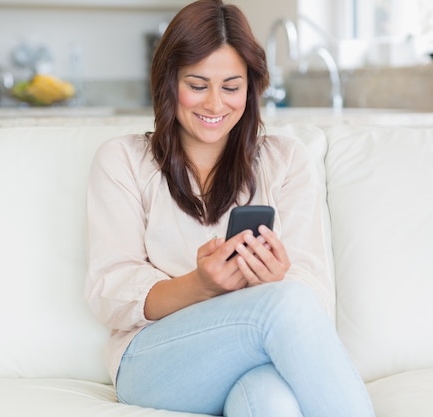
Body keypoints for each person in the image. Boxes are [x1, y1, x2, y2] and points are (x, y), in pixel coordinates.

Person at [85, 1, 376, 416]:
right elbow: (109, 293)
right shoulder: (122, 160)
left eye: (231, 87)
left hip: (253, 358)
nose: (215, 105)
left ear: (251, 88)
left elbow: (313, 295)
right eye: (198, 85)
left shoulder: (286, 161)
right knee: (287, 303)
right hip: (152, 363)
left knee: (270, 399)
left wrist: (273, 278)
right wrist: (202, 285)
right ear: (168, 82)